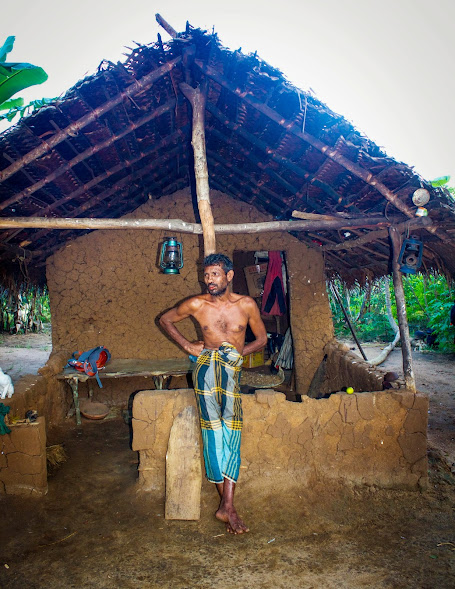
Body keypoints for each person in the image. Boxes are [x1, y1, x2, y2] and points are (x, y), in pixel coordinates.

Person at [159, 253, 267, 534]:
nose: (209, 280)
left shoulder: (246, 305)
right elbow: (166, 320)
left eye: (215, 275)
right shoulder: (197, 304)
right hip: (205, 371)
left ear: (229, 276)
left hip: (231, 374)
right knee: (213, 432)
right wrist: (187, 346)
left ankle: (226, 505)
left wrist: (237, 352)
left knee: (232, 431)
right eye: (206, 275)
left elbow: (262, 339)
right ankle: (227, 506)